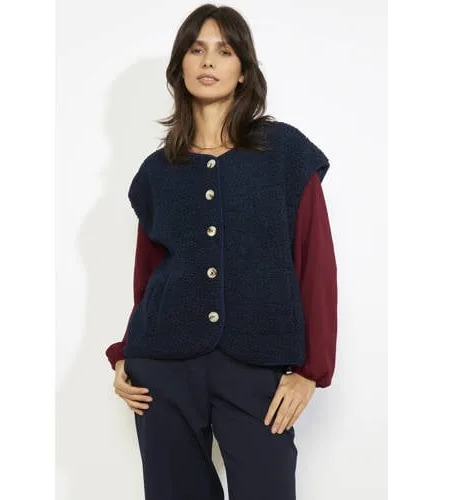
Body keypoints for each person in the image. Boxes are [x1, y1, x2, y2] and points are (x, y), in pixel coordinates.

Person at [105, 4, 337, 500]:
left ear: (243, 70)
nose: (208, 61)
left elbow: (316, 264)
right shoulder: (157, 171)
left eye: (224, 51)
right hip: (161, 372)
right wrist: (125, 355)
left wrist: (311, 372)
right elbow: (148, 278)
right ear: (181, 67)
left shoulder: (285, 153)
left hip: (256, 369)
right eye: (196, 50)